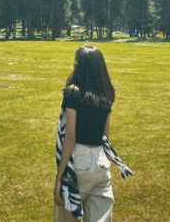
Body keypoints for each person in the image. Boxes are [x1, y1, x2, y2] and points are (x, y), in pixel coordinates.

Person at [53, 45, 115, 222]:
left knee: (66, 216)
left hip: (78, 162)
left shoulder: (73, 93)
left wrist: (59, 178)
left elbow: (70, 138)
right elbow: (105, 137)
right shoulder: (106, 94)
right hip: (101, 163)